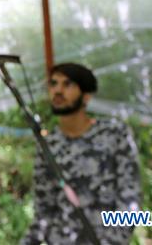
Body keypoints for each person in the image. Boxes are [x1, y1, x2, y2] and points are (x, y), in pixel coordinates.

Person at [23, 62, 141, 244]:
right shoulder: (48, 145)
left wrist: (114, 241)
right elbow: (44, 211)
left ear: (86, 96)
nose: (58, 90)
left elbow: (129, 197)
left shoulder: (114, 134)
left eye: (67, 84)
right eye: (53, 84)